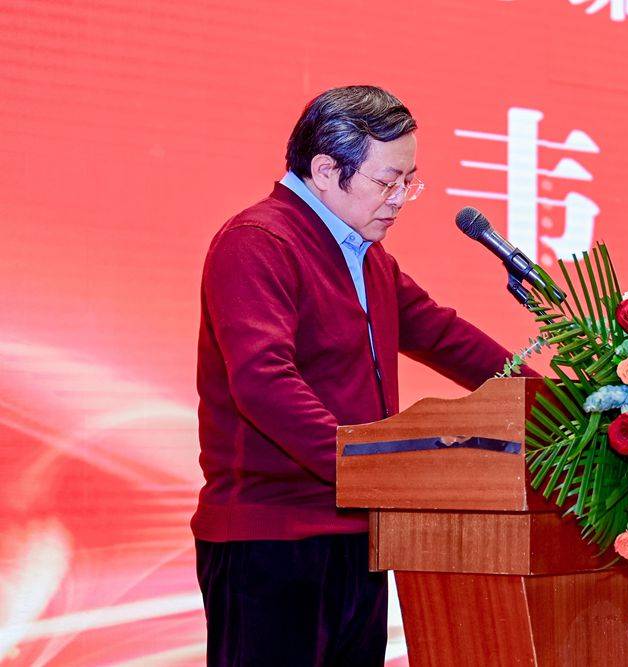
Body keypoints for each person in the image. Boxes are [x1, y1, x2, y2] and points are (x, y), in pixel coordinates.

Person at [192, 85, 535, 666]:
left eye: (409, 182)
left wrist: (555, 404)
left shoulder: (368, 258)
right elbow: (263, 382)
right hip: (270, 540)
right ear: (326, 170)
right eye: (386, 181)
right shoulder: (258, 242)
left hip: (360, 533)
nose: (400, 199)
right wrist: (364, 469)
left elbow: (444, 336)